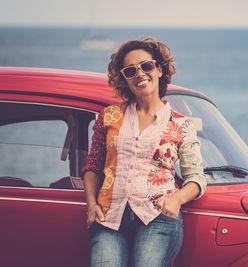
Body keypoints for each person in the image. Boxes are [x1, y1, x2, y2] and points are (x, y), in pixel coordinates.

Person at [81, 37, 207, 267]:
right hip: (108, 217)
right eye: (130, 71)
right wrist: (91, 205)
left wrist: (176, 200)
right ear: (125, 79)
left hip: (157, 218)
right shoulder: (109, 116)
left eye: (146, 66)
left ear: (159, 69)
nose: (139, 74)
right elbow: (92, 166)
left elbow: (197, 178)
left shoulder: (182, 125)